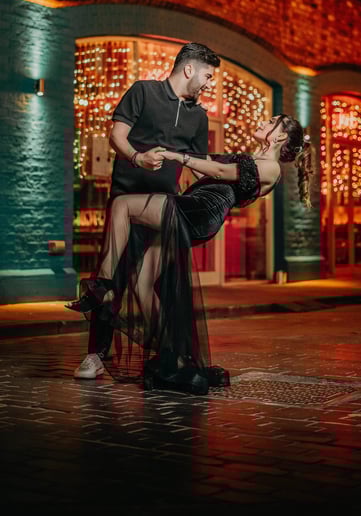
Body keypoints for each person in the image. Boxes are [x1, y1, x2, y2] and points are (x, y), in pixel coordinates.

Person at [67, 113, 314, 395]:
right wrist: (180, 149)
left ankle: (104, 285)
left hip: (199, 211)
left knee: (123, 204)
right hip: (193, 208)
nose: (262, 121)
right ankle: (173, 353)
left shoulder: (271, 168)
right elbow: (207, 170)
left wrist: (178, 156)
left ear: (281, 136)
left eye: (271, 121)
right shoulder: (250, 158)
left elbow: (220, 173)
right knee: (141, 284)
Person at [69, 42, 221, 379]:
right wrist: (138, 158)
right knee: (115, 280)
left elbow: (197, 166)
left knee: (158, 286)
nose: (210, 83)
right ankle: (95, 355)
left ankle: (168, 353)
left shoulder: (199, 116)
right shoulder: (143, 92)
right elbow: (116, 136)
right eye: (208, 76)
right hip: (126, 197)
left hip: (164, 208)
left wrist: (226, 187)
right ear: (189, 69)